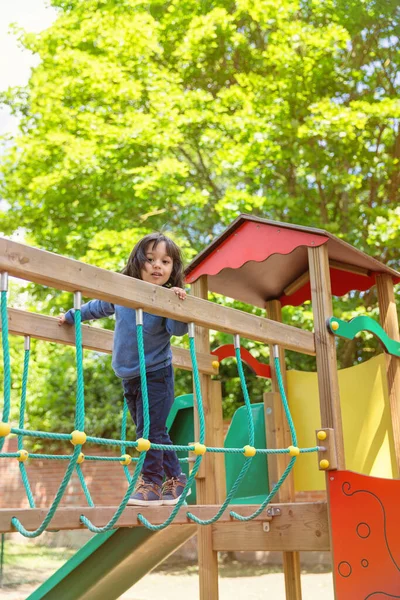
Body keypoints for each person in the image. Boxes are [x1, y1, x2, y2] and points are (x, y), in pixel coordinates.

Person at [58, 233, 189, 506]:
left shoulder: (164, 298)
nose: (157, 266)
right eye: (151, 259)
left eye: (165, 261)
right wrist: (72, 315)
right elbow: (97, 307)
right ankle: (177, 479)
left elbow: (177, 330)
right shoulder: (123, 292)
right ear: (137, 261)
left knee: (149, 432)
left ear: (173, 269)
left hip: (156, 374)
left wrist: (176, 305)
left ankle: (151, 483)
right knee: (154, 431)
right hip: (129, 376)